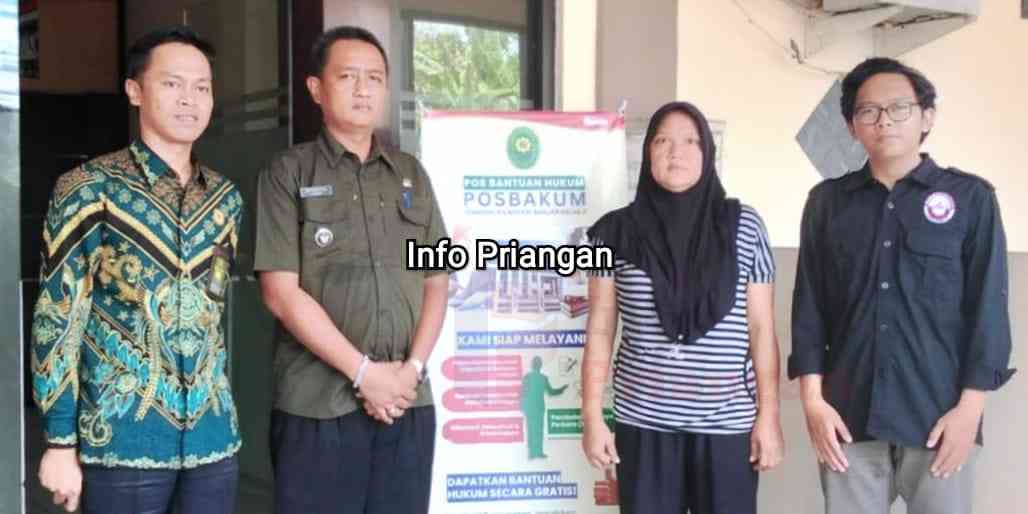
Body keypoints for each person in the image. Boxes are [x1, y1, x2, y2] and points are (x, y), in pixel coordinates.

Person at [31, 26, 242, 514]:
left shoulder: (225, 199)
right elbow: (57, 316)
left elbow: (213, 303)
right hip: (120, 444)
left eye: (202, 87)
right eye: (172, 84)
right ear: (134, 90)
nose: (189, 99)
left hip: (214, 441)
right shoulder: (88, 189)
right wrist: (59, 442)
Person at [790, 57, 1015, 514]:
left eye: (899, 108)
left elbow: (988, 310)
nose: (884, 121)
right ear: (852, 126)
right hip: (848, 418)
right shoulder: (827, 203)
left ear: (926, 117)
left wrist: (970, 410)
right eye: (868, 111)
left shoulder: (970, 199)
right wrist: (813, 403)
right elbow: (809, 308)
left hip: (940, 417)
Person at [254, 25, 450, 514]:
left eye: (375, 78)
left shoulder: (411, 174)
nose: (364, 89)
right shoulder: (288, 172)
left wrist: (410, 371)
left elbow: (437, 280)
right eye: (348, 77)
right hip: (318, 407)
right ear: (316, 88)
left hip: (406, 402)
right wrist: (364, 374)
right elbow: (280, 293)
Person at [580, 101, 784, 514]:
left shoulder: (744, 226)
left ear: (707, 152)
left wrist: (769, 416)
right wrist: (592, 417)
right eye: (663, 141)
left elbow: (762, 328)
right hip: (644, 424)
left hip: (727, 425)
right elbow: (600, 329)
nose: (677, 152)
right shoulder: (613, 232)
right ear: (647, 153)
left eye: (691, 141)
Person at [521, 355, 569, 459]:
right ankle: (537, 452)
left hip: (531, 409)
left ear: (532, 365)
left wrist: (523, 408)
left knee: (531, 430)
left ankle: (532, 453)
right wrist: (562, 389)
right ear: (540, 365)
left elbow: (522, 394)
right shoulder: (543, 378)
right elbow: (551, 392)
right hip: (538, 408)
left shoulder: (527, 377)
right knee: (538, 430)